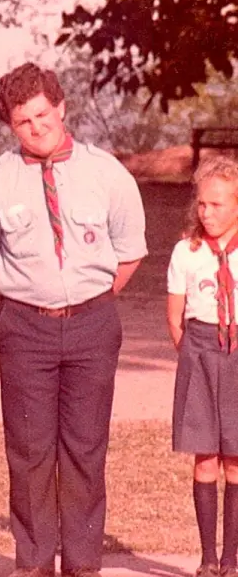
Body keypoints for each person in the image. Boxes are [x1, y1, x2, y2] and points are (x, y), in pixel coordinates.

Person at [0, 62, 147, 577]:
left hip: (93, 324)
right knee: (28, 450)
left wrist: (86, 301)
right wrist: (36, 299)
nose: (37, 128)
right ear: (11, 126)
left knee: (86, 449)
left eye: (43, 115)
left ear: (62, 107)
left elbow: (130, 252)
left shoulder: (107, 172)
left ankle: (83, 563)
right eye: (24, 122)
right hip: (25, 329)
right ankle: (32, 563)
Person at [167, 155, 238, 577]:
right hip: (199, 350)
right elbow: (174, 317)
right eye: (202, 205)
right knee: (206, 458)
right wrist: (193, 354)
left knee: (236, 459)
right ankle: (207, 558)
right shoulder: (186, 251)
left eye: (218, 205)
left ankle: (232, 558)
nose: (207, 213)